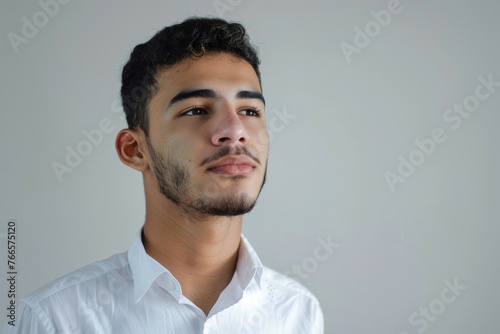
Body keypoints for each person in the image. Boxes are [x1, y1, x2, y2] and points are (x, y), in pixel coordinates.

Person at [3, 17, 324, 333]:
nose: (235, 131)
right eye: (196, 110)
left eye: (250, 111)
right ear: (134, 150)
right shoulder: (55, 319)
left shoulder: (298, 312)